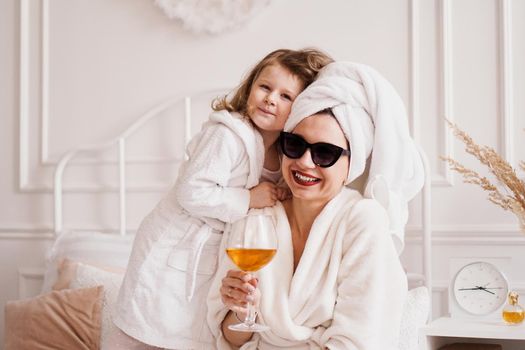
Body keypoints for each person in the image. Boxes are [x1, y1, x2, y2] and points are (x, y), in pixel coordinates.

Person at [110, 48, 334, 350]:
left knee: (189, 332)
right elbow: (191, 191)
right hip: (174, 245)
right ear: (250, 87)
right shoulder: (227, 135)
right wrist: (249, 198)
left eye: (286, 96)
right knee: (147, 324)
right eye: (265, 87)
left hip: (212, 255)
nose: (271, 98)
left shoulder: (285, 153)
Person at [207, 61, 425, 349]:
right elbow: (229, 339)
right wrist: (240, 311)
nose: (304, 163)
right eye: (295, 145)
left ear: (352, 164)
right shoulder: (256, 216)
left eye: (325, 153)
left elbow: (359, 340)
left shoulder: (363, 220)